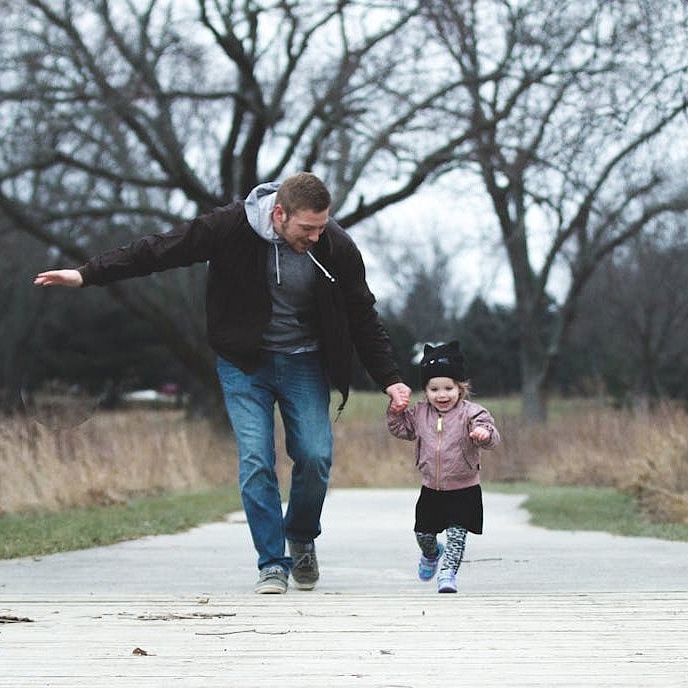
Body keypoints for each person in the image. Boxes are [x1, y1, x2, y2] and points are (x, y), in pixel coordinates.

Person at [34, 172, 411, 594]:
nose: (315, 236)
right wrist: (87, 274)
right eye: (307, 228)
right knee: (256, 461)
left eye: (321, 226)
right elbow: (161, 250)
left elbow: (362, 314)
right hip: (243, 363)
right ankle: (272, 563)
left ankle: (301, 535)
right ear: (279, 213)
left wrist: (390, 380)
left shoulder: (335, 245)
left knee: (315, 457)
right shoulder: (229, 226)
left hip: (303, 361)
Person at [385, 341, 500, 593]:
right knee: (423, 535)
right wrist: (395, 412)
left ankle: (448, 575)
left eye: (449, 388)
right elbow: (401, 429)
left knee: (457, 537)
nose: (442, 394)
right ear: (425, 391)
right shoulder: (419, 414)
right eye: (434, 389)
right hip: (431, 489)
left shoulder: (472, 414)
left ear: (461, 388)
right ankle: (432, 553)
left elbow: (492, 435)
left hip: (464, 489)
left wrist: (483, 433)